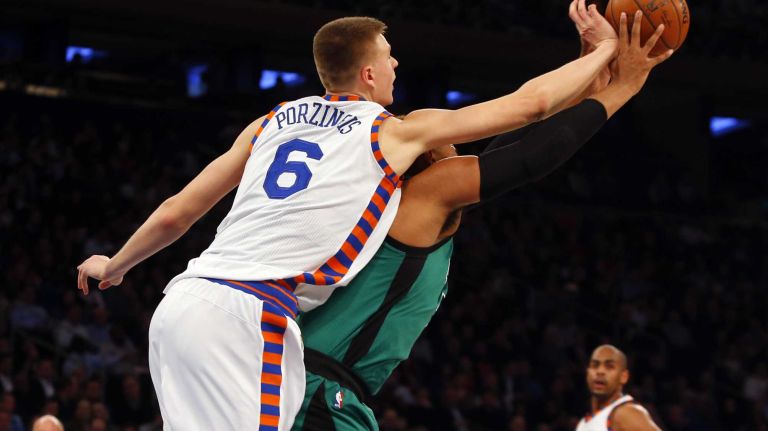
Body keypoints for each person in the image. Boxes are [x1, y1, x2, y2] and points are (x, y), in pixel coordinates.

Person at [76, 1, 654, 429]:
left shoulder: (271, 121)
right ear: (370, 74)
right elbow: (528, 119)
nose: (397, 62)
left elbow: (178, 213)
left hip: (182, 299)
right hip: (256, 321)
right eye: (389, 55)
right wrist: (611, 63)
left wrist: (116, 264)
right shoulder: (399, 143)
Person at [291, 10, 672, 431]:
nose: (456, 144)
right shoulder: (425, 195)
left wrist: (585, 77)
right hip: (317, 389)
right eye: (445, 140)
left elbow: (509, 145)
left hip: (306, 380)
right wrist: (624, 87)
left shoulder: (409, 205)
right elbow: (528, 158)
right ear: (429, 161)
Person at [576, 345, 662, 431]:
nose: (600, 371)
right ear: (587, 372)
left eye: (609, 366)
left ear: (624, 377)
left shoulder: (625, 413)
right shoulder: (584, 422)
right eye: (595, 365)